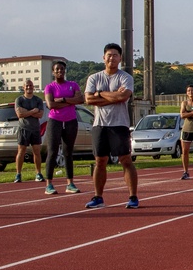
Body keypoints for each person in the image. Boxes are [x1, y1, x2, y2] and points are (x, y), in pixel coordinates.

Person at [83, 43, 139, 209]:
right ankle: (98, 197)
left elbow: (122, 97)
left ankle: (133, 197)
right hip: (100, 125)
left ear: (120, 58)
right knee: (100, 161)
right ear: (103, 57)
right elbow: (88, 100)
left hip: (119, 124)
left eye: (115, 55)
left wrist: (99, 94)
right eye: (109, 55)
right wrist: (112, 96)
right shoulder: (94, 78)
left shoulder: (125, 78)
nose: (112, 58)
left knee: (125, 160)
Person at [43, 60, 84, 195]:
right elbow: (51, 105)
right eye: (57, 69)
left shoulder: (73, 85)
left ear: (65, 71)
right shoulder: (50, 87)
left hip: (71, 121)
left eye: (62, 69)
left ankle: (70, 183)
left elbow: (80, 100)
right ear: (53, 72)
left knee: (68, 152)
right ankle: (49, 184)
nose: (60, 71)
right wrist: (68, 101)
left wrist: (62, 100)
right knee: (52, 151)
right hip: (55, 121)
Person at [14, 79, 45, 183]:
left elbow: (40, 114)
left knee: (36, 152)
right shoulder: (19, 100)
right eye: (27, 86)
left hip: (35, 129)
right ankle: (18, 174)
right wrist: (32, 111)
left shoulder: (38, 100)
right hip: (23, 128)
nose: (29, 87)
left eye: (30, 85)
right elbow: (19, 114)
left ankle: (38, 173)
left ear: (33, 87)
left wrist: (26, 112)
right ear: (24, 87)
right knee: (21, 151)